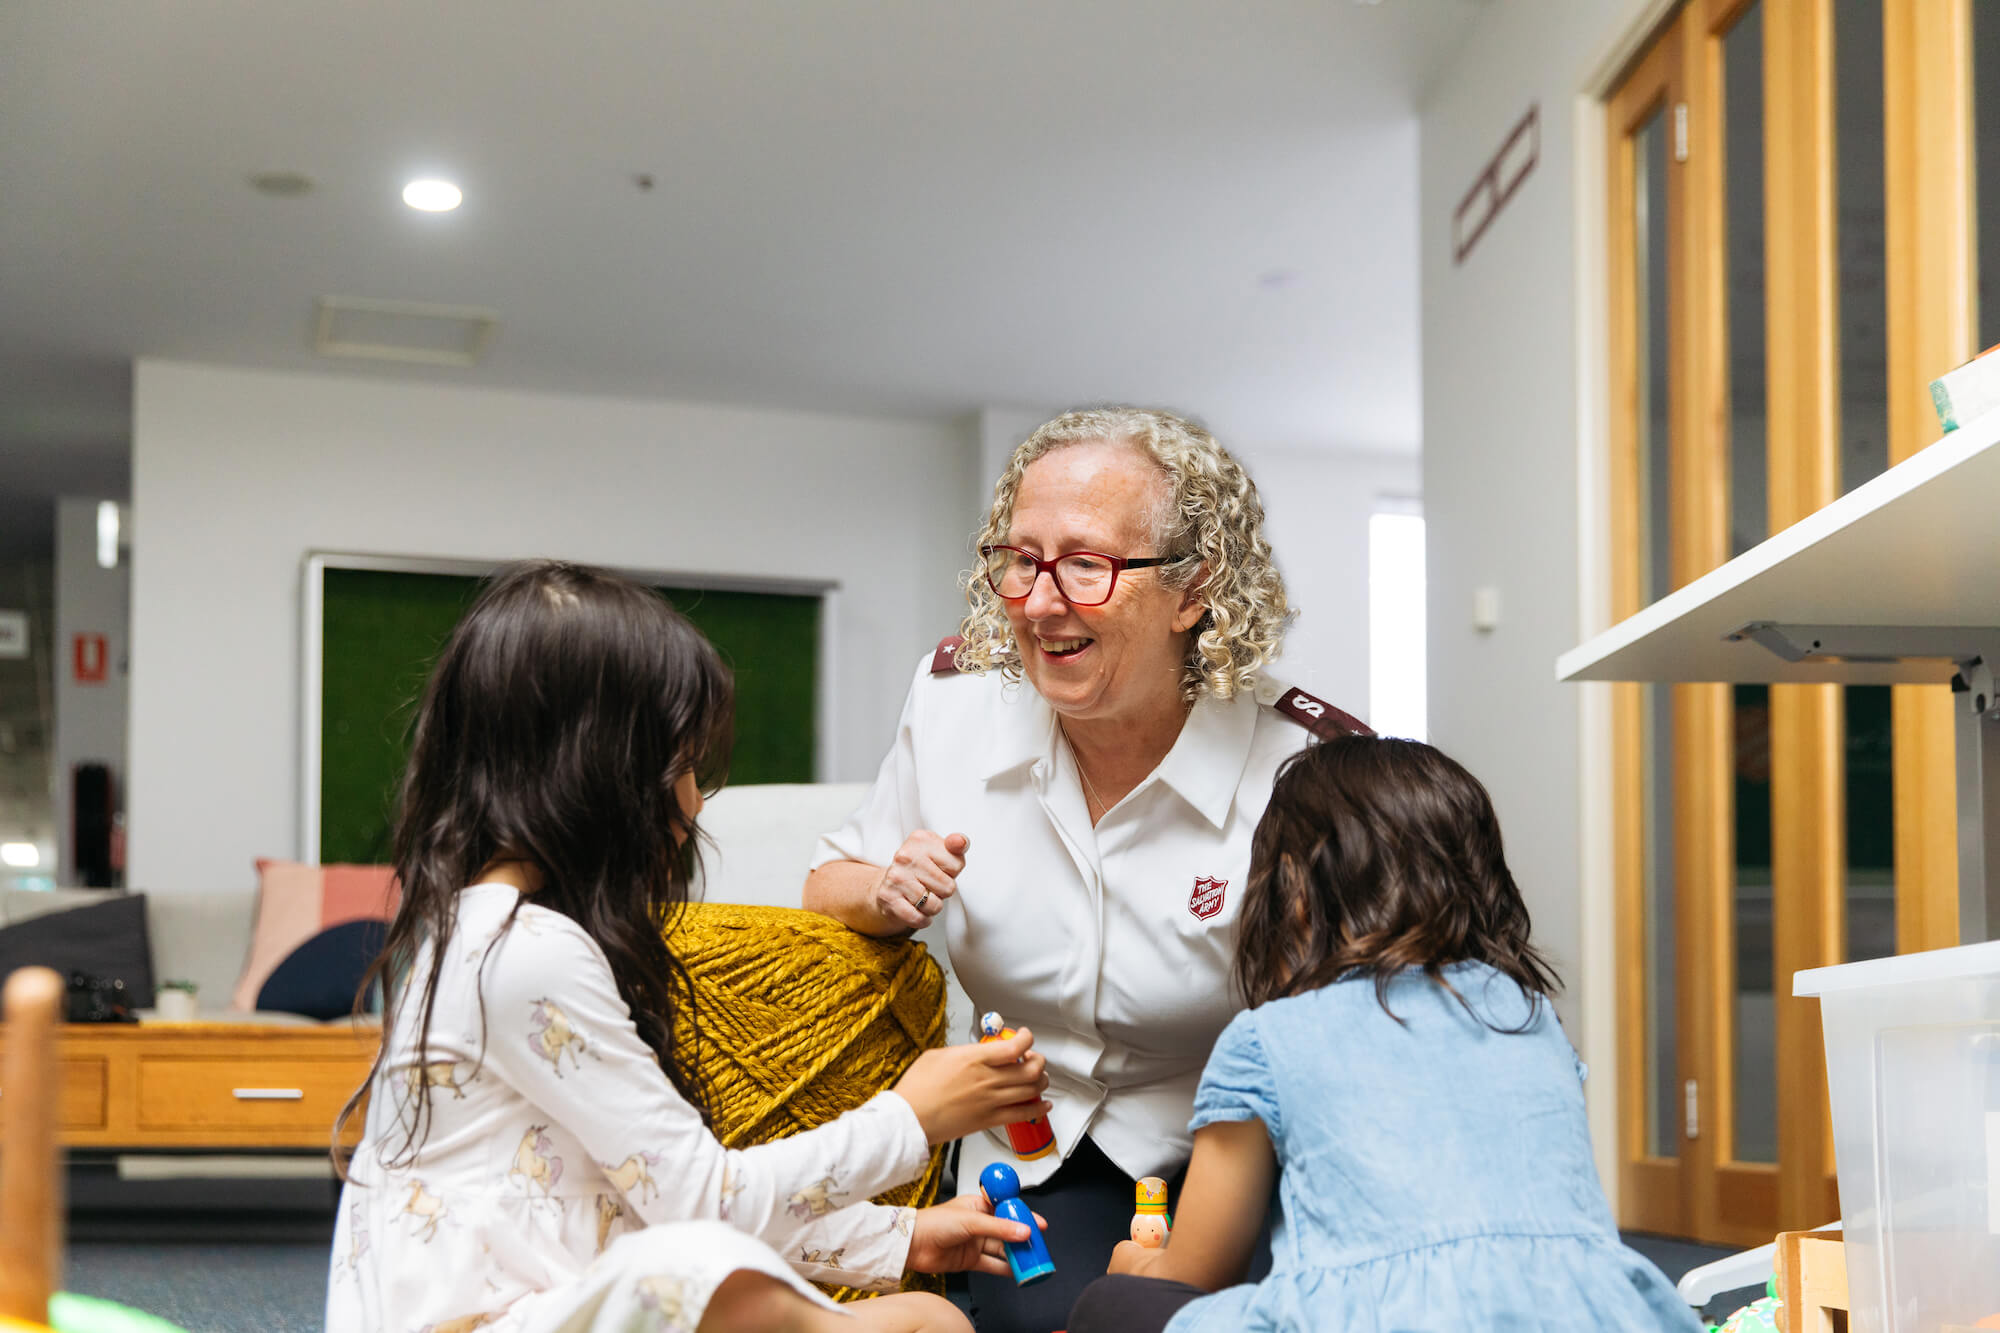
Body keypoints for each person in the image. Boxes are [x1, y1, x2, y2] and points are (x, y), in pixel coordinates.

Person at [325, 560, 1053, 1333]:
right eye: (683, 763)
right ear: (603, 771)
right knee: (785, 1293)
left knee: (917, 1317)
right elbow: (699, 1203)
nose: (696, 798)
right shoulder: (525, 950)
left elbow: (642, 1193)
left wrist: (901, 1233)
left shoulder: (480, 929)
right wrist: (911, 1116)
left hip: (522, 1299)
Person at [804, 408, 1366, 1331]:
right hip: (1034, 1147)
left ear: (1194, 589)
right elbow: (828, 883)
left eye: (1087, 564)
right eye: (1022, 560)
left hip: (1245, 1143)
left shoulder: (1309, 768)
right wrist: (885, 891)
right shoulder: (954, 705)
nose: (1038, 601)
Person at [1065, 736, 1703, 1333]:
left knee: (1113, 1304)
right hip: (1586, 1316)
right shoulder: (1527, 1014)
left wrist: (1136, 1265)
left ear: (1292, 894)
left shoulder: (1267, 1040)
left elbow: (1199, 1275)